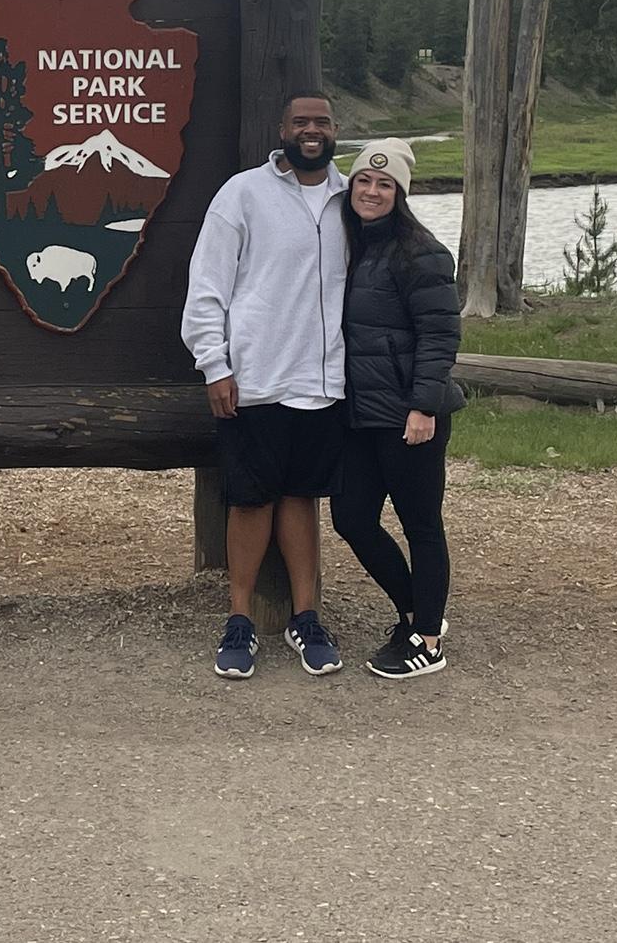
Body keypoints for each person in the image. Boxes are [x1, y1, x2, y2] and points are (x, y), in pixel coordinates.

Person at [182, 92, 348, 679]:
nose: (311, 130)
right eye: (300, 122)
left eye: (321, 122)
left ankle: (307, 617)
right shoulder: (243, 194)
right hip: (255, 377)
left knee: (302, 498)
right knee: (250, 501)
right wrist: (215, 365)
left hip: (322, 380)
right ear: (282, 130)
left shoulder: (349, 198)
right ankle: (240, 620)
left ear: (335, 131)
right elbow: (207, 285)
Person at [330, 137, 464, 679]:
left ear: (400, 194)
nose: (371, 190)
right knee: (351, 518)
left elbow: (440, 334)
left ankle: (428, 641)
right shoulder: (349, 245)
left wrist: (423, 406)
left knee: (421, 524)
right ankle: (416, 611)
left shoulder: (421, 252)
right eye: (363, 180)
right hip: (361, 413)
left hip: (410, 414)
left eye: (384, 184)